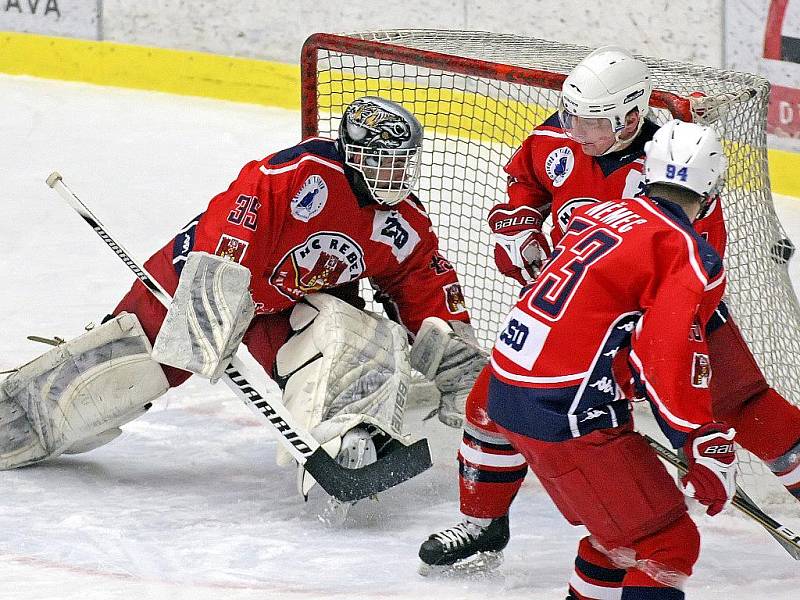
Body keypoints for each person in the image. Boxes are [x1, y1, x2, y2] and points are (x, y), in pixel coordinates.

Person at [419, 46, 800, 578]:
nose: (578, 131)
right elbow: (524, 181)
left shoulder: (669, 163)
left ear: (631, 116)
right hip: (584, 317)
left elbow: (693, 273)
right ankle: (484, 524)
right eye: (573, 115)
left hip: (672, 318)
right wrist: (520, 226)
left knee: (746, 404)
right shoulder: (559, 137)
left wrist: (638, 367)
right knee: (492, 404)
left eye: (594, 122)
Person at [0, 96, 485, 496]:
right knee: (112, 380)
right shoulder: (294, 176)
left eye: (404, 163)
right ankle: (21, 412)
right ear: (353, 153)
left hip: (280, 313)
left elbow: (425, 288)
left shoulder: (404, 224)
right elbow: (227, 232)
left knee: (357, 336)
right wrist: (213, 300)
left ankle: (346, 436)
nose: (396, 175)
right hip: (192, 285)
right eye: (385, 162)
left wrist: (457, 362)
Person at [421, 119, 738, 599]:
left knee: (619, 536)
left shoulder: (599, 216)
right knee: (666, 543)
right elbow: (667, 353)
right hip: (565, 411)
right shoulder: (686, 253)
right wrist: (700, 440)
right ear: (712, 186)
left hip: (506, 388)